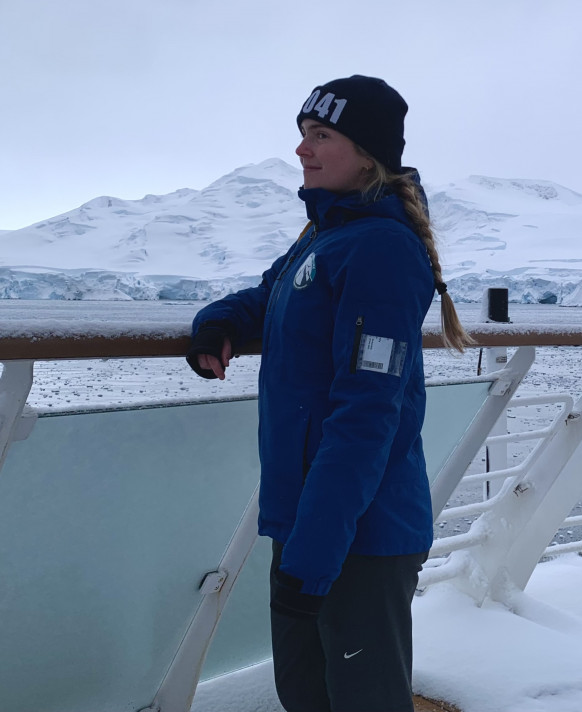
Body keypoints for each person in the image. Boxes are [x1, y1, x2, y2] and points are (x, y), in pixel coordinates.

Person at [185, 75, 474, 712]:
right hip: (311, 518)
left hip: (358, 534)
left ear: (367, 155)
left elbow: (368, 413)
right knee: (306, 695)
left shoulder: (381, 248)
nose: (302, 150)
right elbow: (271, 296)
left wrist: (312, 558)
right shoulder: (327, 232)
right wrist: (221, 322)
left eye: (321, 136)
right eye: (302, 135)